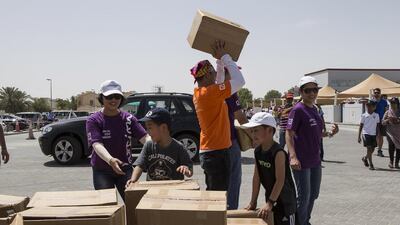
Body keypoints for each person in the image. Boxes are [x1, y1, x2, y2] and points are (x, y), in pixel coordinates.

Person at [190, 40, 245, 191]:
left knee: (216, 197)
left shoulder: (202, 93)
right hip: (216, 153)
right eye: (213, 72)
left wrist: (219, 62)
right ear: (207, 75)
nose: (216, 76)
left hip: (212, 151)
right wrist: (226, 57)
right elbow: (240, 81)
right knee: (218, 199)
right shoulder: (210, 93)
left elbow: (219, 81)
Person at [285, 76, 339, 225]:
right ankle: (299, 222)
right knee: (303, 197)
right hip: (301, 161)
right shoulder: (298, 110)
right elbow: (288, 133)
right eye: (308, 90)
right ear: (301, 92)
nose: (312, 93)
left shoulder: (314, 109)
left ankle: (304, 221)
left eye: (315, 90)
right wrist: (293, 157)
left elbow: (316, 133)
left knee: (313, 194)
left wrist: (329, 133)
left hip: (315, 160)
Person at [86, 80, 150, 201]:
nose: (113, 100)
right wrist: (110, 160)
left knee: (133, 204)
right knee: (106, 206)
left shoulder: (129, 118)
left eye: (117, 96)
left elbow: (145, 138)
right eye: (109, 96)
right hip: (102, 170)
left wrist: (159, 147)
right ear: (102, 98)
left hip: (125, 169)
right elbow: (97, 144)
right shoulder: (93, 120)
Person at [244, 112, 297, 225]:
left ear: (269, 130)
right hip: (271, 200)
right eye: (252, 131)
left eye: (256, 130)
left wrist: (270, 203)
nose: (253, 134)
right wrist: (253, 202)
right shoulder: (258, 152)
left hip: (286, 203)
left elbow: (280, 180)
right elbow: (256, 178)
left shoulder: (278, 153)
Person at [126, 108, 193, 186]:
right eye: (146, 128)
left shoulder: (179, 147)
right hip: (152, 189)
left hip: (172, 190)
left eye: (150, 128)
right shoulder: (148, 145)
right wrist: (133, 180)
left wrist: (185, 169)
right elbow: (140, 165)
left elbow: (189, 172)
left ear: (163, 127)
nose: (147, 132)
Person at [222, 68, 249, 209]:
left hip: (212, 144)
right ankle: (230, 215)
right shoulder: (229, 92)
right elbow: (241, 118)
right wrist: (253, 136)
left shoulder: (210, 90)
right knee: (233, 181)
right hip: (229, 141)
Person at [358, 100, 380, 170]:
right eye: (367, 106)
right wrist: (359, 136)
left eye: (370, 106)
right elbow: (361, 125)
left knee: (372, 149)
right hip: (366, 134)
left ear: (374, 107)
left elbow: (378, 125)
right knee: (369, 148)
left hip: (373, 134)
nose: (368, 107)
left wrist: (378, 134)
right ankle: (371, 164)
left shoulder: (376, 115)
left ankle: (365, 158)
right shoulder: (364, 115)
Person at [382, 97, 400, 169]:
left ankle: (396, 163)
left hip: (398, 133)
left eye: (394, 103)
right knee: (391, 145)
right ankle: (391, 162)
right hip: (390, 132)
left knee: (399, 148)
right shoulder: (387, 112)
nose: (392, 104)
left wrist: (398, 120)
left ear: (397, 104)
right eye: (391, 103)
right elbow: (382, 122)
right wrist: (387, 121)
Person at [372, 88, 388, 157]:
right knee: (375, 136)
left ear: (380, 93)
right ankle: (374, 147)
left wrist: (385, 119)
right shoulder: (371, 101)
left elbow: (386, 111)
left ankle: (379, 150)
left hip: (381, 120)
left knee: (380, 136)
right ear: (373, 93)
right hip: (373, 121)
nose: (376, 94)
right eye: (375, 93)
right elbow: (370, 111)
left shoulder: (384, 102)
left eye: (378, 93)